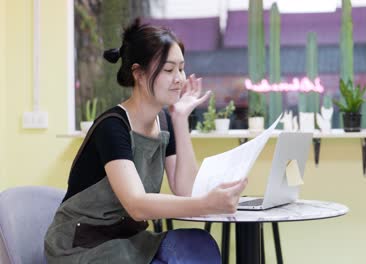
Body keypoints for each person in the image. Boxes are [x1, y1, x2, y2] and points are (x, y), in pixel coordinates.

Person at [44, 18, 247, 264]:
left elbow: (185, 190)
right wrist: (205, 204)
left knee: (197, 244)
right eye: (169, 70)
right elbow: (137, 205)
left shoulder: (164, 121)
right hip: (81, 245)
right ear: (139, 73)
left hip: (127, 239)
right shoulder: (113, 126)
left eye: (181, 68)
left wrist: (180, 119)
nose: (179, 79)